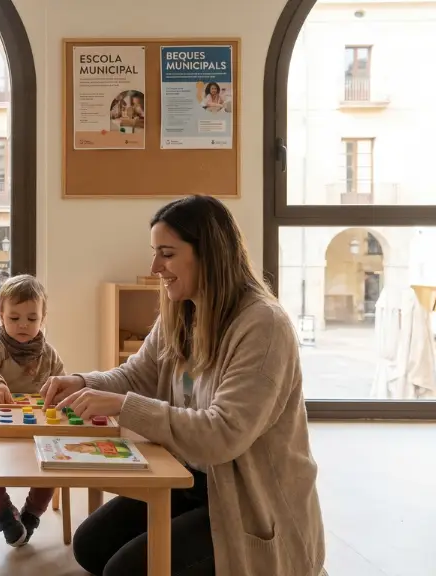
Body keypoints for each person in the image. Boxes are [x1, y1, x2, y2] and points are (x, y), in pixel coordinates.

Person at [42, 195, 325, 576]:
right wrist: (81, 382)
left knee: (123, 571)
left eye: (167, 254)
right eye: (155, 253)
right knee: (91, 545)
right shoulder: (183, 310)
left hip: (247, 504)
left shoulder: (264, 325)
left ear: (209, 254)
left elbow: (222, 434)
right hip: (195, 483)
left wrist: (123, 406)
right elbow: (135, 375)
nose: (155, 266)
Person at [0, 274, 65, 547]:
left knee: (54, 465)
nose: (23, 325)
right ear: (1, 315)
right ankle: (4, 514)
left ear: (43, 318)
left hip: (38, 429)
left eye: (31, 318)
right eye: (14, 318)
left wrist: (63, 391)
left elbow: (62, 380)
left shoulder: (49, 354)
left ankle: (32, 515)